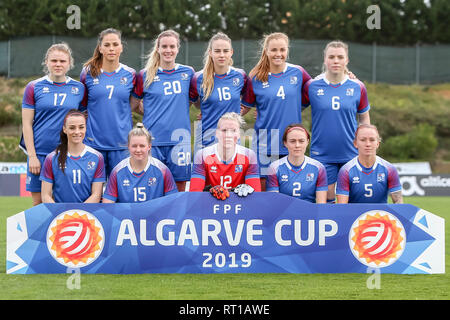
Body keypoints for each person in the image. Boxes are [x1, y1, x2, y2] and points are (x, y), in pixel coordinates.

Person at [241, 32, 312, 189]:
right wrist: (219, 114)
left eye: (282, 49)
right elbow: (245, 106)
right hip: (265, 142)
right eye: (274, 50)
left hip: (292, 142)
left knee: (291, 189)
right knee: (264, 191)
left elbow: (318, 90)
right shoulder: (256, 78)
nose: (278, 54)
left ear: (287, 50)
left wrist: (346, 78)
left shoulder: (298, 73)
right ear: (266, 51)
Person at [303, 40, 371, 203]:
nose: (335, 61)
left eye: (340, 57)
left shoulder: (358, 87)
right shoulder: (312, 86)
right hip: (322, 152)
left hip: (351, 151)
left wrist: (366, 143)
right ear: (325, 59)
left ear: (346, 60)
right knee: (325, 197)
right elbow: (292, 107)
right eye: (331, 57)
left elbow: (364, 119)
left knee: (351, 197)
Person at [20, 43, 85, 206]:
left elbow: (83, 121)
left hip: (66, 154)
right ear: (46, 62)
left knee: (64, 202)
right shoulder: (33, 87)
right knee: (39, 205)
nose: (58, 64)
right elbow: (27, 124)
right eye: (54, 60)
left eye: (62, 61)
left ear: (69, 63)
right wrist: (32, 156)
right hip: (40, 154)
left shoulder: (79, 88)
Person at [132, 30, 194, 192]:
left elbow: (193, 102)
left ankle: (178, 217)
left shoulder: (188, 73)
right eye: (164, 46)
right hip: (154, 140)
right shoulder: (145, 75)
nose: (168, 50)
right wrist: (152, 113)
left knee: (180, 186)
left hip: (180, 140)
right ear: (157, 49)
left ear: (178, 48)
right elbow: (133, 105)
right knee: (153, 185)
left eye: (172, 46)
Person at [80, 28, 139, 177]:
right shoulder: (87, 73)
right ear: (100, 48)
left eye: (115, 44)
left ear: (121, 47)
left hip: (122, 145)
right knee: (93, 193)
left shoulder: (131, 74)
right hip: (93, 144)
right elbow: (82, 106)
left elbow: (135, 105)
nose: (111, 48)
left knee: (121, 193)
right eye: (106, 45)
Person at [190, 32, 251, 153]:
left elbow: (248, 101)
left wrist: (237, 115)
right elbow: (193, 103)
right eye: (217, 51)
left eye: (225, 51)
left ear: (231, 52)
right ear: (210, 52)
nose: (222, 55)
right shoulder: (198, 78)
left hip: (232, 139)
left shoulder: (240, 75)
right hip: (207, 139)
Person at [190, 112, 261, 199]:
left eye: (233, 131)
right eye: (224, 130)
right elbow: (194, 194)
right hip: (209, 206)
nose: (228, 135)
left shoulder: (249, 156)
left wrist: (234, 192)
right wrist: (209, 191)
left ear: (239, 134)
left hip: (239, 206)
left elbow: (255, 196)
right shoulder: (202, 155)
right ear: (217, 133)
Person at [40, 110, 105, 203]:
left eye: (81, 127)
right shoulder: (51, 158)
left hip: (86, 214)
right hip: (60, 214)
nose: (77, 131)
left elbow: (96, 195)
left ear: (86, 128)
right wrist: (61, 214)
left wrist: (78, 213)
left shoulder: (97, 157)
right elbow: (45, 195)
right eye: (72, 128)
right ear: (65, 129)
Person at [102, 123, 178, 203]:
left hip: (155, 215)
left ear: (149, 146)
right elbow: (107, 204)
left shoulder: (162, 170)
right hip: (126, 215)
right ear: (128, 146)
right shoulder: (117, 171)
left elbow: (172, 203)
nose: (138, 150)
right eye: (134, 146)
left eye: (142, 146)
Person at [336, 124, 403, 204]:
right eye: (363, 140)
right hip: (354, 216)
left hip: (380, 216)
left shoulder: (389, 169)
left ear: (378, 143)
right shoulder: (345, 171)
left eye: (372, 140)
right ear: (355, 143)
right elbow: (342, 207)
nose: (368, 144)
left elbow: (399, 204)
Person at [266, 124, 328, 203]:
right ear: (285, 143)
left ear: (307, 142)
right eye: (292, 141)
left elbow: (321, 205)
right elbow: (274, 203)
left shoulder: (318, 168)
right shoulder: (274, 168)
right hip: (284, 214)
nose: (297, 145)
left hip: (309, 214)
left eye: (301, 141)